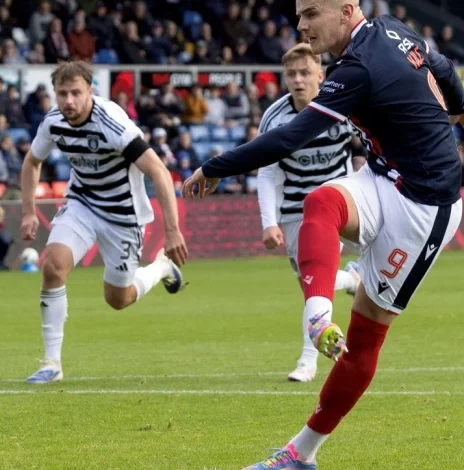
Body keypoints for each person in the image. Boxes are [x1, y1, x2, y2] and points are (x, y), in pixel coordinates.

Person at [183, 2, 464, 468]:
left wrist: (215, 167)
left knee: (366, 338)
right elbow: (442, 65)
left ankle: (302, 452)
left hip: (425, 205)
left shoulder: (359, 68)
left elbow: (290, 138)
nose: (301, 24)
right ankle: (317, 316)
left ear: (346, 11)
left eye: (311, 12)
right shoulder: (390, 28)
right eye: (299, 13)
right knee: (321, 201)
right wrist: (456, 109)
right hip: (382, 174)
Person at [20, 60, 189, 384]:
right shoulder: (53, 122)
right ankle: (51, 364)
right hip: (82, 203)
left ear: (90, 92)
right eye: (62, 93)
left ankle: (162, 267)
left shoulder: (112, 123)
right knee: (53, 267)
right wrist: (29, 211)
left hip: (124, 216)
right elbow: (32, 161)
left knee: (117, 299)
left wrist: (172, 231)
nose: (69, 101)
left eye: (76, 93)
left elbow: (158, 171)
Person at [256, 43, 363, 383]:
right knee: (313, 284)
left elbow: (366, 145)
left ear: (321, 75)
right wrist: (269, 222)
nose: (298, 80)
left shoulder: (342, 107)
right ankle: (352, 280)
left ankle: (308, 361)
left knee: (313, 286)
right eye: (291, 74)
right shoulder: (275, 117)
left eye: (305, 73)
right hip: (297, 211)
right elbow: (266, 171)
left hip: (341, 202)